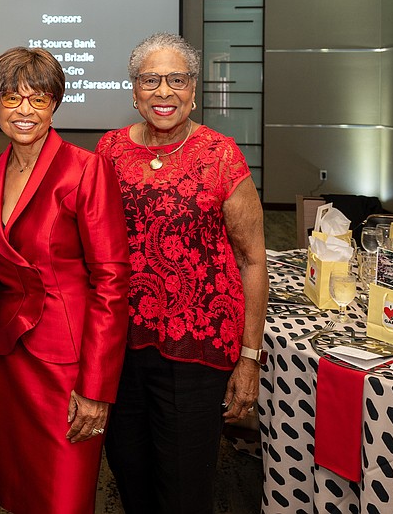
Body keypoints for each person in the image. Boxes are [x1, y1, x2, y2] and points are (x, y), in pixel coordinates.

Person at [96, 32, 268, 514]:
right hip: (121, 348)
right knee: (129, 472)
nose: (163, 92)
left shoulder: (221, 155)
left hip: (197, 348)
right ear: (134, 89)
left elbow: (253, 259)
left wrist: (250, 358)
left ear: (194, 89)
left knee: (185, 489)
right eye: (151, 79)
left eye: (177, 79)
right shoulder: (109, 151)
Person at [0, 46, 130, 513]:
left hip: (68, 363)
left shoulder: (85, 170)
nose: (24, 111)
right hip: (10, 357)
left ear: (55, 103)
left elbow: (112, 282)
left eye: (38, 99)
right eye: (11, 98)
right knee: (20, 490)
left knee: (63, 496)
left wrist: (96, 387)